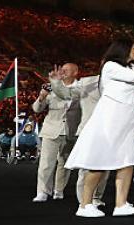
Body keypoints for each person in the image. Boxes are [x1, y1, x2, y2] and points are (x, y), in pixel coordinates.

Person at [64, 37, 134, 217]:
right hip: (109, 118)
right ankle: (85, 205)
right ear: (123, 50)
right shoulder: (110, 66)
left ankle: (121, 204)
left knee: (127, 161)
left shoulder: (132, 67)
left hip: (128, 119)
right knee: (100, 162)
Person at [34, 67, 83, 202]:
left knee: (65, 164)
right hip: (51, 130)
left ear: (75, 72)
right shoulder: (50, 88)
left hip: (71, 131)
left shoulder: (81, 88)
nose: (62, 72)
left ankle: (58, 189)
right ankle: (43, 191)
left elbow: (69, 96)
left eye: (66, 70)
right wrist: (41, 97)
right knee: (45, 163)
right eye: (62, 69)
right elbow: (36, 109)